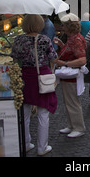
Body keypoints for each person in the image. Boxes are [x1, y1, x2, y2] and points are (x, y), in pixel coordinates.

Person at [11, 15, 58, 156]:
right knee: (43, 113)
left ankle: (25, 144)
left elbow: (14, 57)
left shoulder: (18, 40)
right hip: (42, 76)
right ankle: (42, 147)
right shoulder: (44, 40)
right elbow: (53, 58)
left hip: (25, 77)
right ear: (39, 24)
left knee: (24, 113)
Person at [53, 13, 87, 138]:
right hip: (68, 76)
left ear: (69, 26)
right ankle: (72, 125)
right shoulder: (73, 38)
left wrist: (64, 63)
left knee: (72, 102)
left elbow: (82, 60)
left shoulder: (76, 40)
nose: (62, 27)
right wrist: (62, 46)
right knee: (69, 102)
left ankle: (79, 127)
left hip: (71, 76)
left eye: (64, 25)